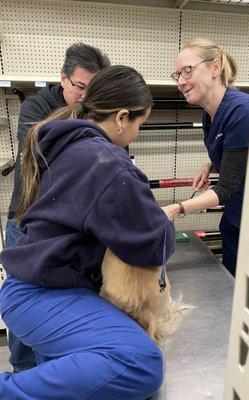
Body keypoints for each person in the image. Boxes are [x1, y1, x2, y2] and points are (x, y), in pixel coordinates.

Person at [0, 65, 175, 399]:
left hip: (32, 289)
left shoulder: (67, 144)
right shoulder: (106, 162)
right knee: (141, 363)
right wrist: (162, 221)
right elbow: (151, 246)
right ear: (123, 117)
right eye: (140, 123)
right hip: (44, 295)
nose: (137, 132)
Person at [5, 42, 111, 373]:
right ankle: (24, 373)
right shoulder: (36, 107)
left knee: (59, 310)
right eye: (79, 87)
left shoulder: (91, 109)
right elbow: (42, 152)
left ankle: (53, 377)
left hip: (67, 229)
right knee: (26, 308)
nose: (84, 97)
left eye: (92, 91)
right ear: (62, 78)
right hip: (26, 223)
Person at [163, 37, 249, 277]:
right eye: (177, 75)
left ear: (215, 67)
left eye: (188, 71)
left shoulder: (242, 111)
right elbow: (243, 155)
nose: (181, 82)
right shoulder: (209, 114)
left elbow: (226, 188)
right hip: (237, 216)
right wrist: (212, 165)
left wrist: (177, 208)